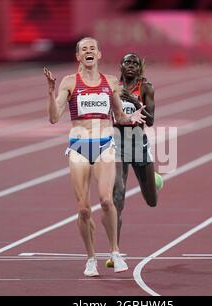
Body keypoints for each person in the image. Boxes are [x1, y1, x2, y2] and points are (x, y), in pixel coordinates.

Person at [43, 37, 146, 276]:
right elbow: (53, 117)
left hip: (104, 145)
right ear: (78, 57)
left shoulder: (110, 82)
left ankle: (115, 251)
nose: (88, 52)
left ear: (98, 54)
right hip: (79, 146)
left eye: (92, 48)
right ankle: (91, 258)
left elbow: (119, 116)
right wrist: (50, 92)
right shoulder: (69, 82)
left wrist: (131, 119)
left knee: (106, 200)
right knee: (83, 210)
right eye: (83, 49)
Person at [106, 53, 162, 268]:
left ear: (140, 68)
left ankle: (155, 180)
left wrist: (134, 101)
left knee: (151, 201)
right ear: (120, 65)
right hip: (117, 143)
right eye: (127, 62)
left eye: (135, 63)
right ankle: (114, 251)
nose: (131, 66)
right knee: (117, 196)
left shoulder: (146, 87)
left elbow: (151, 120)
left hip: (138, 142)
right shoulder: (113, 87)